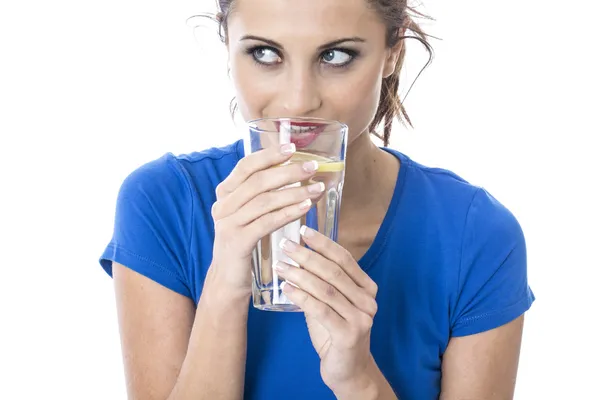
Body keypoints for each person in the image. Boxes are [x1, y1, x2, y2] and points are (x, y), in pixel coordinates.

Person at [99, 0, 535, 399]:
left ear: (392, 53)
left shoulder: (476, 236)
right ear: (228, 44)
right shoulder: (163, 204)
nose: (299, 100)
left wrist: (358, 380)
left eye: (336, 56)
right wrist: (224, 287)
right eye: (265, 54)